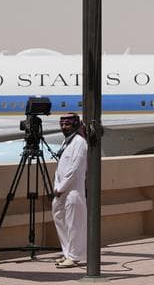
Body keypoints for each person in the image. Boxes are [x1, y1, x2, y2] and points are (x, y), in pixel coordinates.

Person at [51, 113, 87, 268]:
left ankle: (74, 256)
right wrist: (56, 187)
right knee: (60, 221)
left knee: (73, 225)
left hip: (72, 192)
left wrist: (61, 187)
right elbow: (60, 168)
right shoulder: (66, 142)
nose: (64, 127)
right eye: (62, 124)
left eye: (67, 124)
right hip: (60, 191)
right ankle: (67, 253)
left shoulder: (79, 142)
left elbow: (75, 169)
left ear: (75, 124)